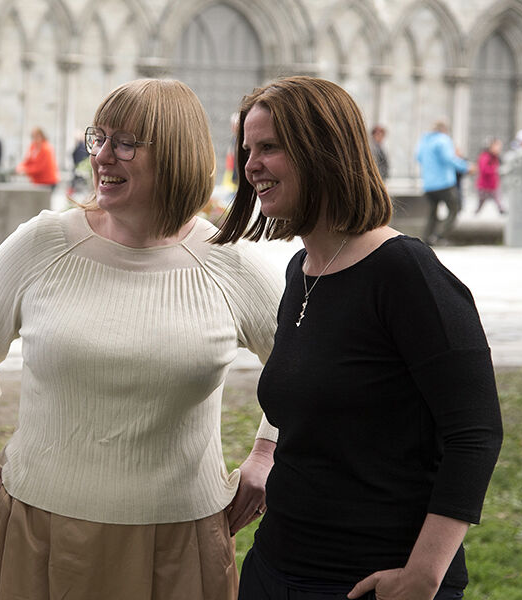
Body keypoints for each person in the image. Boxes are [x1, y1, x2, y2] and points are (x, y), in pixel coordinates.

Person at [0, 78, 284, 599]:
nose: (101, 156)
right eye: (97, 138)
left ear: (174, 154)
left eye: (124, 142)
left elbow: (306, 369)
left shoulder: (227, 263)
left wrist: (266, 453)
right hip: (38, 530)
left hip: (179, 541)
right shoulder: (43, 242)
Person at [215, 76, 503, 600]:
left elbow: (475, 431)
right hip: (277, 564)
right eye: (247, 148)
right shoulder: (301, 271)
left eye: (269, 147)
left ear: (322, 150)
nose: (250, 164)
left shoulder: (404, 270)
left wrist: (423, 575)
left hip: (368, 579)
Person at [416, 120, 470, 245]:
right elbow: (449, 158)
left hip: (428, 184)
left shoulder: (424, 141)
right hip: (444, 183)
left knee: (432, 213)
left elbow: (418, 157)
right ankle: (439, 236)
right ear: (444, 130)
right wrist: (465, 167)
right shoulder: (443, 140)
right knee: (455, 208)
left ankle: (427, 238)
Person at [475, 138, 505, 214]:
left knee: (498, 200)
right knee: (481, 200)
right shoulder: (485, 156)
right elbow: (483, 169)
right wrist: (494, 170)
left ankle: (501, 210)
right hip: (484, 184)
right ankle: (476, 212)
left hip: (493, 184)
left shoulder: (495, 157)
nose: (499, 149)